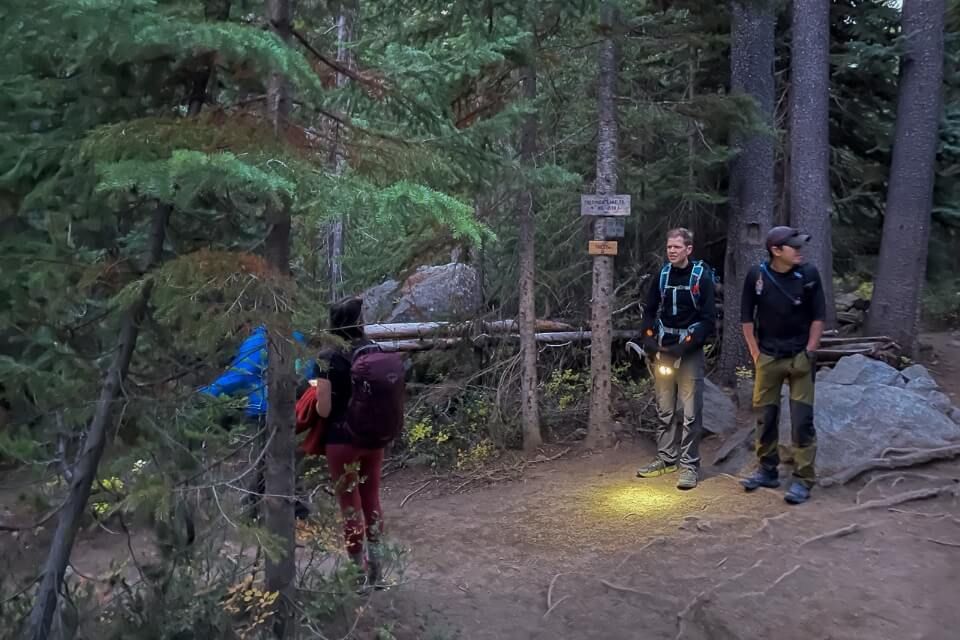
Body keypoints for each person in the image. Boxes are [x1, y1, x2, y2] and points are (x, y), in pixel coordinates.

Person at [312, 296, 405, 588]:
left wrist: (312, 399)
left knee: (349, 506)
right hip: (373, 438)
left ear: (332, 323)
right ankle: (377, 570)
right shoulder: (373, 350)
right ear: (360, 321)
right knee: (371, 500)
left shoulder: (328, 358)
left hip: (341, 441)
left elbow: (323, 410)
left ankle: (357, 574)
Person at [739, 226, 825, 505]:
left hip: (800, 357)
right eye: (794, 247)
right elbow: (746, 318)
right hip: (768, 357)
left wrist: (810, 350)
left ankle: (803, 479)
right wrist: (755, 354)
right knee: (766, 418)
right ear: (777, 251)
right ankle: (767, 470)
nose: (799, 251)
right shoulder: (757, 276)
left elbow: (818, 316)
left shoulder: (809, 275)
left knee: (802, 420)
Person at [199, 323, 310, 519]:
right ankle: (281, 506)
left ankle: (259, 507)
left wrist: (205, 395)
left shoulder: (259, 341)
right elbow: (308, 373)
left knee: (267, 459)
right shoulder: (297, 338)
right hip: (293, 409)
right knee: (277, 458)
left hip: (263, 409)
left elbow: (238, 376)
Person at [635, 228, 716, 490]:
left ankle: (690, 466)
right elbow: (649, 310)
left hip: (689, 351)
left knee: (691, 411)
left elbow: (707, 321)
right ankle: (666, 458)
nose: (671, 251)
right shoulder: (662, 275)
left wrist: (685, 347)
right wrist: (648, 338)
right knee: (665, 406)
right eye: (669, 247)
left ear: (688, 249)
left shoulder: (700, 277)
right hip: (664, 348)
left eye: (677, 247)